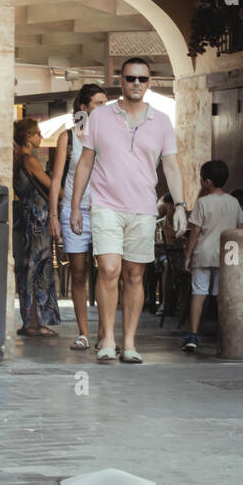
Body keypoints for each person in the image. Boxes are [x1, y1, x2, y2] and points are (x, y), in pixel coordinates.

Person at [70, 57, 188, 363]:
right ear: (120, 81)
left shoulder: (161, 121)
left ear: (149, 83)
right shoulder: (99, 118)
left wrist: (181, 206)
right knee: (109, 269)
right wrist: (75, 207)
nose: (137, 83)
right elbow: (85, 161)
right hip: (105, 205)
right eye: (131, 78)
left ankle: (130, 342)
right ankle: (107, 338)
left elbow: (172, 166)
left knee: (135, 275)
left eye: (143, 79)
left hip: (143, 208)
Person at [48, 83, 107, 349]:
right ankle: (83, 332)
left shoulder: (110, 136)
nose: (104, 108)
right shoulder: (68, 138)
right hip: (74, 211)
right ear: (84, 107)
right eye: (99, 103)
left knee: (108, 271)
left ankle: (105, 334)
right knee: (79, 273)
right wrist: (53, 215)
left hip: (105, 210)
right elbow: (57, 178)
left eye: (106, 103)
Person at [181, 160, 243, 352]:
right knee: (222, 296)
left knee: (199, 293)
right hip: (227, 256)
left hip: (204, 254)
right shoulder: (233, 202)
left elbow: (195, 232)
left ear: (207, 181)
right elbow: (240, 229)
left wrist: (187, 255)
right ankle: (227, 334)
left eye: (201, 178)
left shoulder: (203, 203)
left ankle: (192, 335)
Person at [13, 118, 61, 336]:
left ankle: (30, 321)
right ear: (28, 137)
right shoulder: (29, 159)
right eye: (37, 133)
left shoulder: (16, 158)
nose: (40, 137)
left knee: (27, 269)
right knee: (40, 268)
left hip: (23, 217)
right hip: (37, 218)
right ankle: (37, 322)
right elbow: (52, 188)